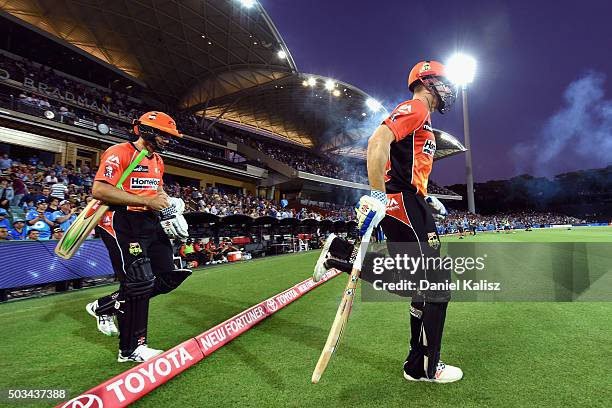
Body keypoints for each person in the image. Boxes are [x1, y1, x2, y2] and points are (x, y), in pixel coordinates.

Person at [354, 61, 462, 383]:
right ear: (427, 81)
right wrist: (377, 195)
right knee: (436, 286)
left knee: (422, 286)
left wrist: (425, 197)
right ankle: (430, 366)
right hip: (402, 202)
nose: (448, 90)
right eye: (443, 82)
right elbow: (377, 143)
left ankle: (417, 364)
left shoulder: (423, 118)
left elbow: (407, 164)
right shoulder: (415, 107)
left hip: (412, 201)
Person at [85, 111, 191, 363]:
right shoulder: (118, 152)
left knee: (168, 277)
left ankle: (104, 306)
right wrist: (147, 201)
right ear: (145, 131)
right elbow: (100, 190)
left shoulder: (158, 160)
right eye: (164, 135)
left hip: (149, 221)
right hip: (120, 221)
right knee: (138, 283)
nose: (167, 141)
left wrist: (168, 205)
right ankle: (131, 349)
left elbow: (157, 188)